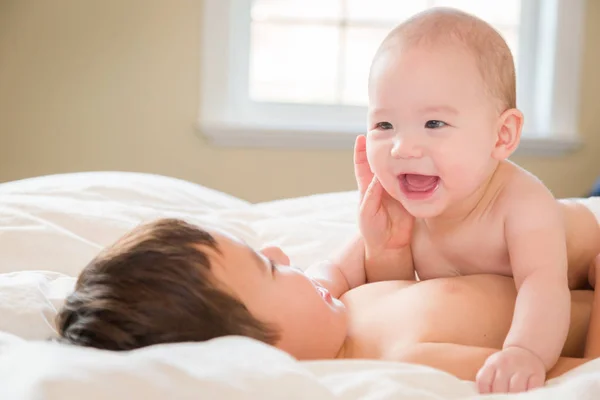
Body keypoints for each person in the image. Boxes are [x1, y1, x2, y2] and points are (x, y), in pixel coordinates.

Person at [308, 7, 600, 393]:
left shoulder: (522, 205)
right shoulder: (402, 207)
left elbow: (541, 284)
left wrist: (525, 351)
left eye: (434, 124)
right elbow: (343, 270)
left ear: (502, 136)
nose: (402, 147)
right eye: (384, 124)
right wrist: (317, 283)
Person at [55, 217, 600, 392]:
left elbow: (384, 261)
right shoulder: (409, 361)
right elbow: (581, 379)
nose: (280, 251)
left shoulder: (339, 311)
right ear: (257, 351)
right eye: (268, 269)